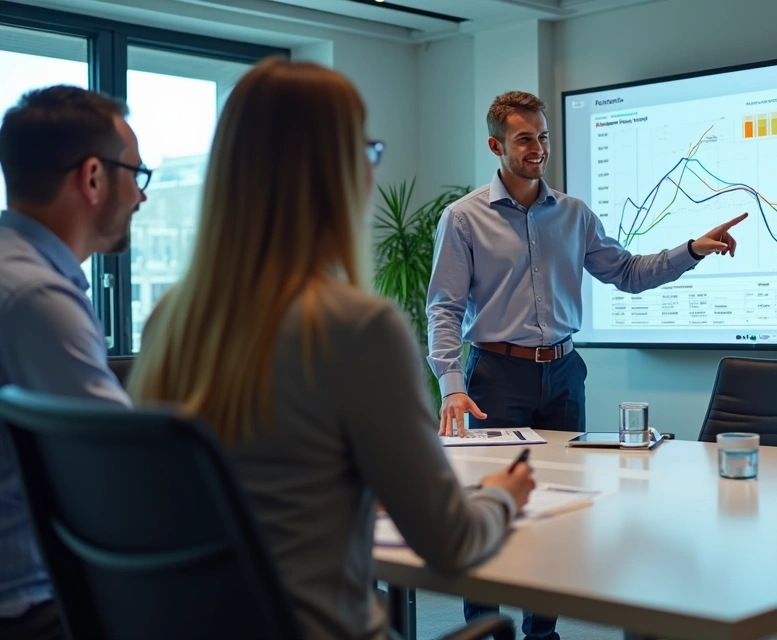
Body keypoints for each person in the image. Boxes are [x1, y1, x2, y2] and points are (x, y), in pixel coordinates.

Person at [127, 59, 535, 640]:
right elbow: (452, 543)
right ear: (337, 173)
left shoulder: (170, 321)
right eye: (367, 150)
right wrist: (501, 496)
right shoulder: (356, 329)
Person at [427, 90, 747, 639]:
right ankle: (484, 629)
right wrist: (451, 385)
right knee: (490, 501)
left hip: (563, 373)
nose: (538, 148)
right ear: (496, 146)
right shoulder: (463, 218)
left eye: (543, 136)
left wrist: (691, 249)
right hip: (495, 378)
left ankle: (542, 632)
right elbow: (444, 308)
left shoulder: (574, 214)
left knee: (559, 509)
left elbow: (628, 273)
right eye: (524, 139)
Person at [0, 86, 142, 640]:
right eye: (136, 173)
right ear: (92, 177)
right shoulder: (36, 297)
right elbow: (124, 474)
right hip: (30, 608)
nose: (140, 195)